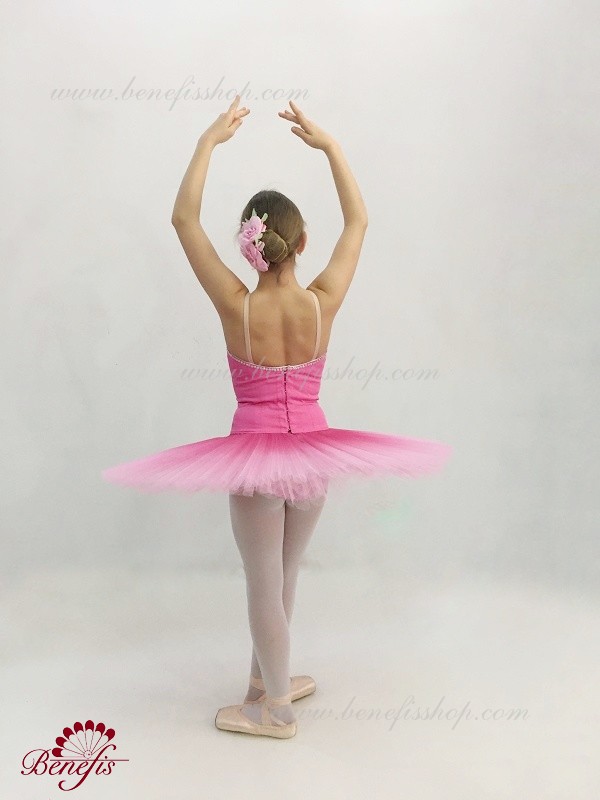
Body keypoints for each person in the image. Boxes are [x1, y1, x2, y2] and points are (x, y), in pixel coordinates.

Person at [101, 96, 453, 739]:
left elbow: (182, 219)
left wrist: (208, 142)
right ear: (301, 243)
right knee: (285, 576)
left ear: (250, 248)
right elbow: (360, 221)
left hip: (256, 460)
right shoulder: (322, 302)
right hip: (315, 456)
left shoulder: (236, 305)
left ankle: (276, 711)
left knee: (263, 584)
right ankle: (268, 681)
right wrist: (331, 148)